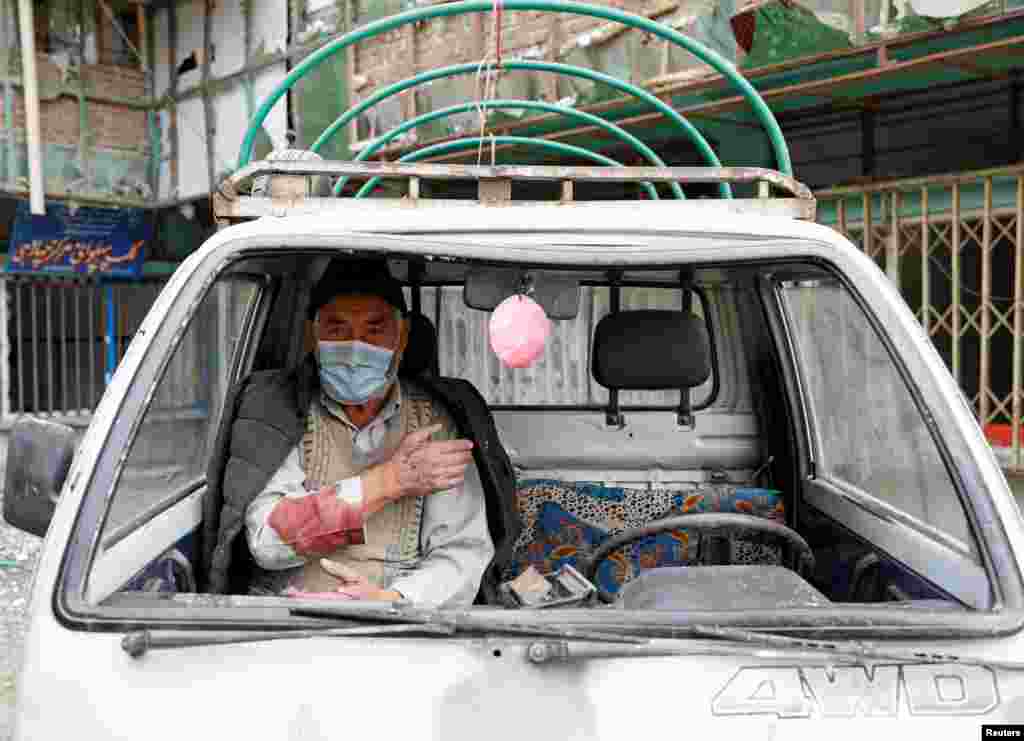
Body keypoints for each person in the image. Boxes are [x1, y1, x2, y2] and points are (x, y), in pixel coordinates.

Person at [241, 259, 494, 607]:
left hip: (395, 626)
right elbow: (267, 543)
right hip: (287, 619)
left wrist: (392, 599)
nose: (355, 347)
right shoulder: (279, 412)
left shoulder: (434, 423)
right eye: (338, 329)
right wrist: (389, 481)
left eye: (374, 331)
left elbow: (462, 555)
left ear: (401, 337)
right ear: (312, 337)